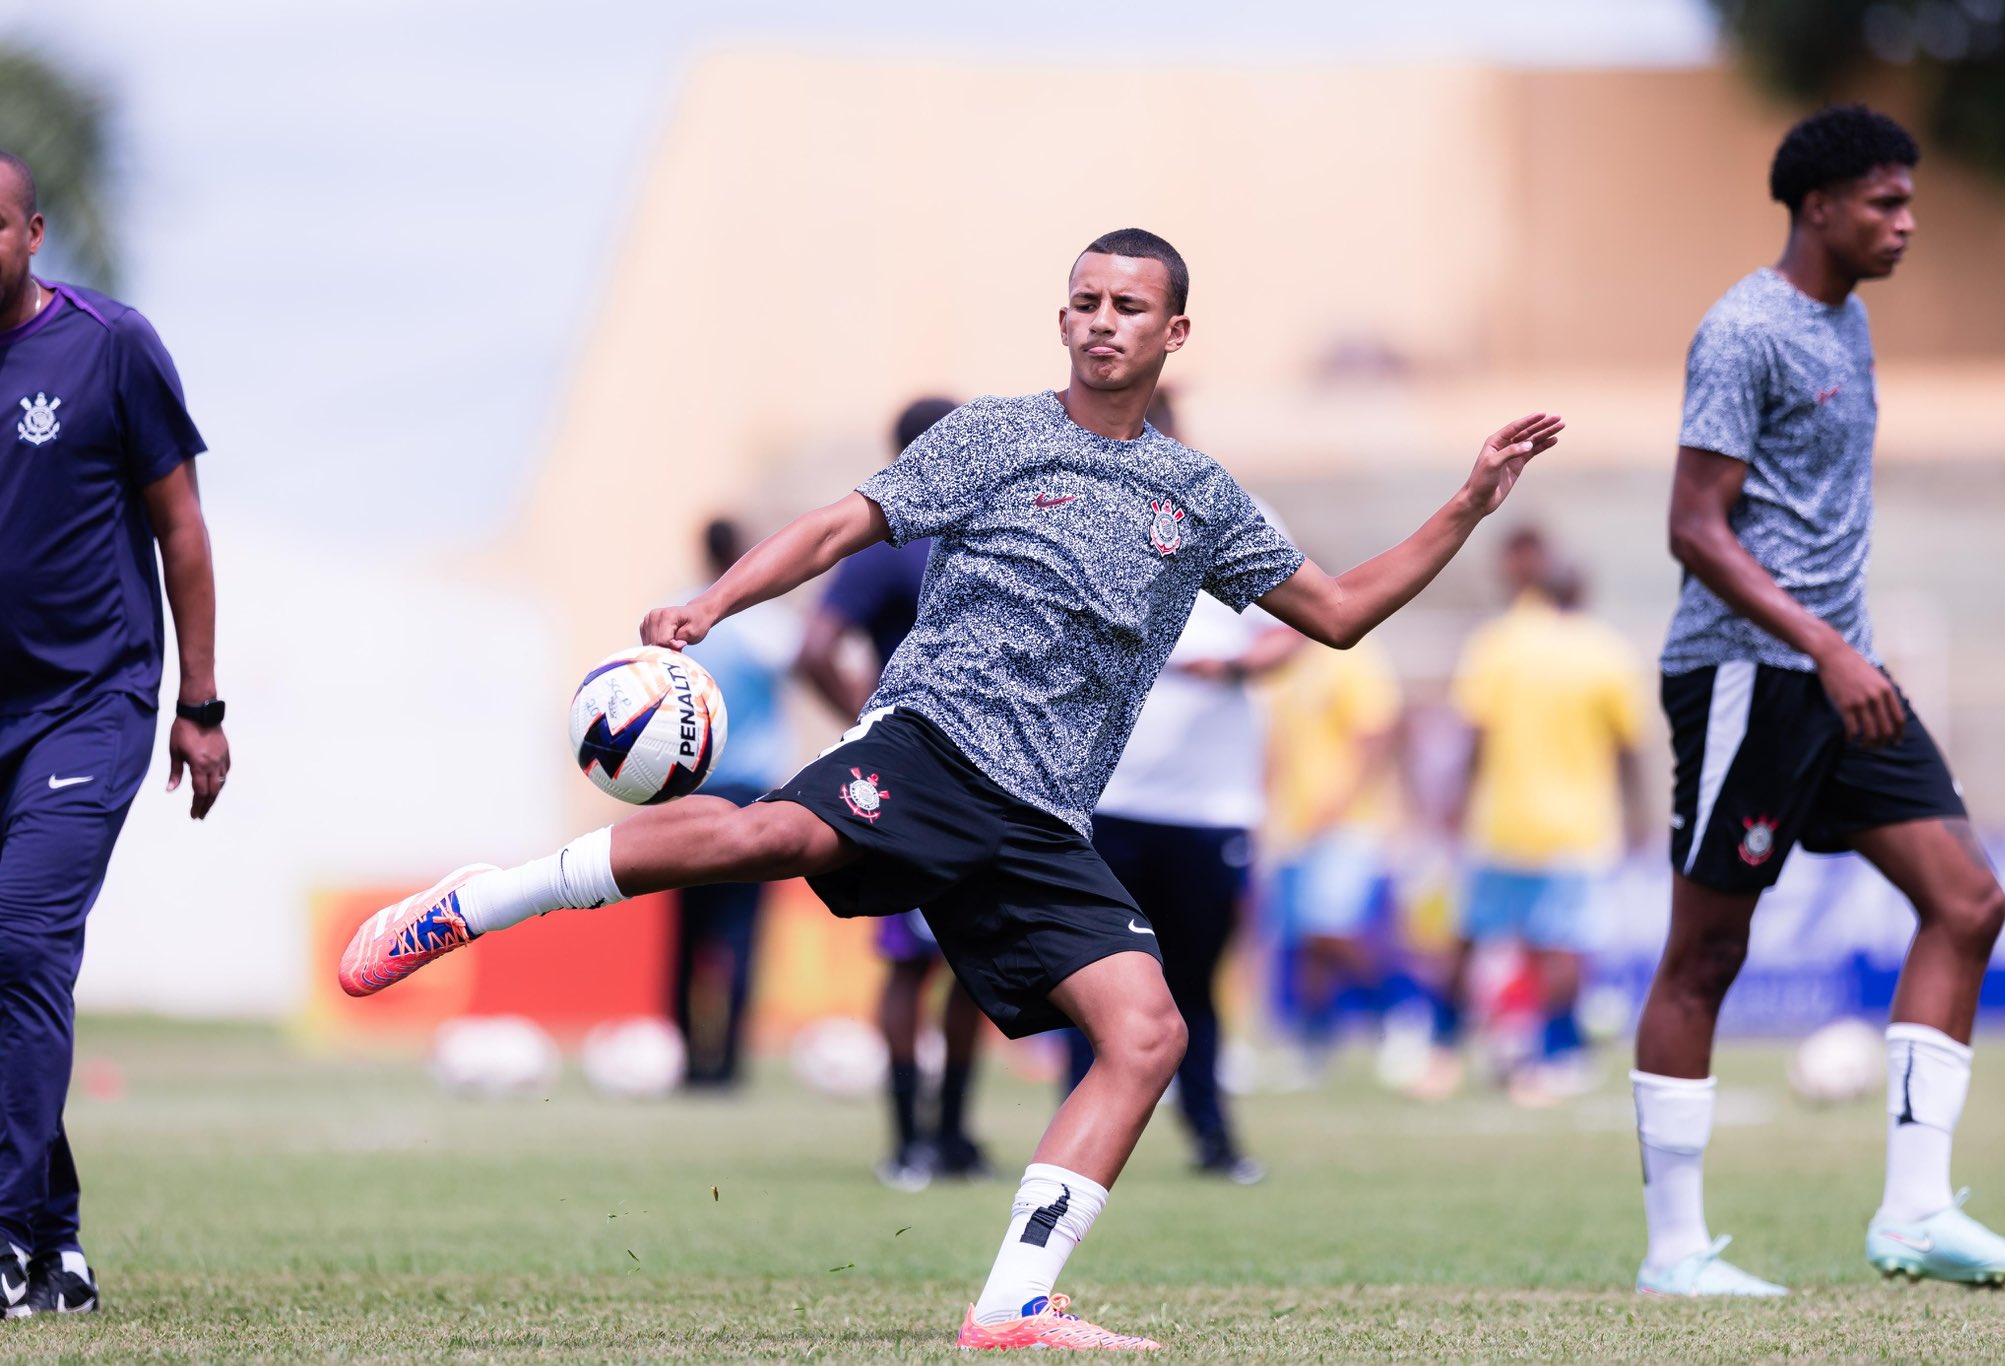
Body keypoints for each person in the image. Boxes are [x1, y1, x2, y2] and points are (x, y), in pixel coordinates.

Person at [340, 227, 1562, 1349]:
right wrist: (716, 604)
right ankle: (483, 901)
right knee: (772, 835)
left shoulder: (1200, 500)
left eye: (1128, 306)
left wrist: (1463, 504)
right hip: (930, 742)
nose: (1099, 321)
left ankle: (1014, 1301)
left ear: (1173, 334)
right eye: (1082, 300)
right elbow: (832, 530)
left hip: (1043, 819)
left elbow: (1337, 613)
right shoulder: (990, 434)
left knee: (1147, 1034)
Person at [1633, 104, 2005, 1297]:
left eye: (1906, 201)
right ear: (1816, 207)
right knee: (1703, 952)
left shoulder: (1849, 322)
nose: (1904, 223)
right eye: (1884, 202)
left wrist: (1841, 653)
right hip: (1743, 675)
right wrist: (1824, 644)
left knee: (1965, 901)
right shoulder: (1741, 330)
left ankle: (1915, 1215)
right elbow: (1692, 527)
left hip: (1838, 672)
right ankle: (1675, 1254)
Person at [0, 150, 228, 1318]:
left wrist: (199, 704)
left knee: (23, 946)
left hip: (90, 703)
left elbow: (180, 529)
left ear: (33, 231)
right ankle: (55, 1248)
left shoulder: (109, 346)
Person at [1058, 388, 1304, 1185]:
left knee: (1195, 978)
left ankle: (1211, 1134)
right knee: (1089, 978)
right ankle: (1075, 1137)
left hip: (1206, 804)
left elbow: (1292, 627)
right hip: (1107, 795)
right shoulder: (1093, 516)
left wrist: (1227, 666)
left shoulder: (1232, 514)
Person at [796, 395, 992, 1189]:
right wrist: (875, 723)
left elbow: (815, 650)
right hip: (939, 775)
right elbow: (814, 649)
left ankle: (940, 1136)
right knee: (928, 964)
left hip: (977, 775)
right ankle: (919, 1135)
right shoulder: (897, 542)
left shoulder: (950, 536)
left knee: (958, 960)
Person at [1413, 542, 1644, 1106]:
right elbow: (1627, 749)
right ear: (1582, 594)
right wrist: (1638, 814)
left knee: (1468, 940)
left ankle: (1440, 1057)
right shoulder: (1605, 652)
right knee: (1561, 949)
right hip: (1577, 827)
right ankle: (1544, 1067)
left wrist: (1454, 802)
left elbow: (1475, 733)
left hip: (1501, 822)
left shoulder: (1498, 644)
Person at [667, 518, 800, 1088]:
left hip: (685, 788)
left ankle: (689, 1060)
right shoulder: (767, 626)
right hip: (750, 793)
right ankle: (730, 1065)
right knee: (740, 932)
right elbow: (816, 658)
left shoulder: (674, 620)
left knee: (687, 935)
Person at [1260, 620, 1403, 1082]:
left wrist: (1339, 804)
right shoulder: (1286, 661)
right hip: (1295, 825)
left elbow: (1378, 732)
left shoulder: (1349, 652)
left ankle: (1403, 1011)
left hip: (1346, 825)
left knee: (1330, 932)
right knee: (1305, 943)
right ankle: (1314, 1047)